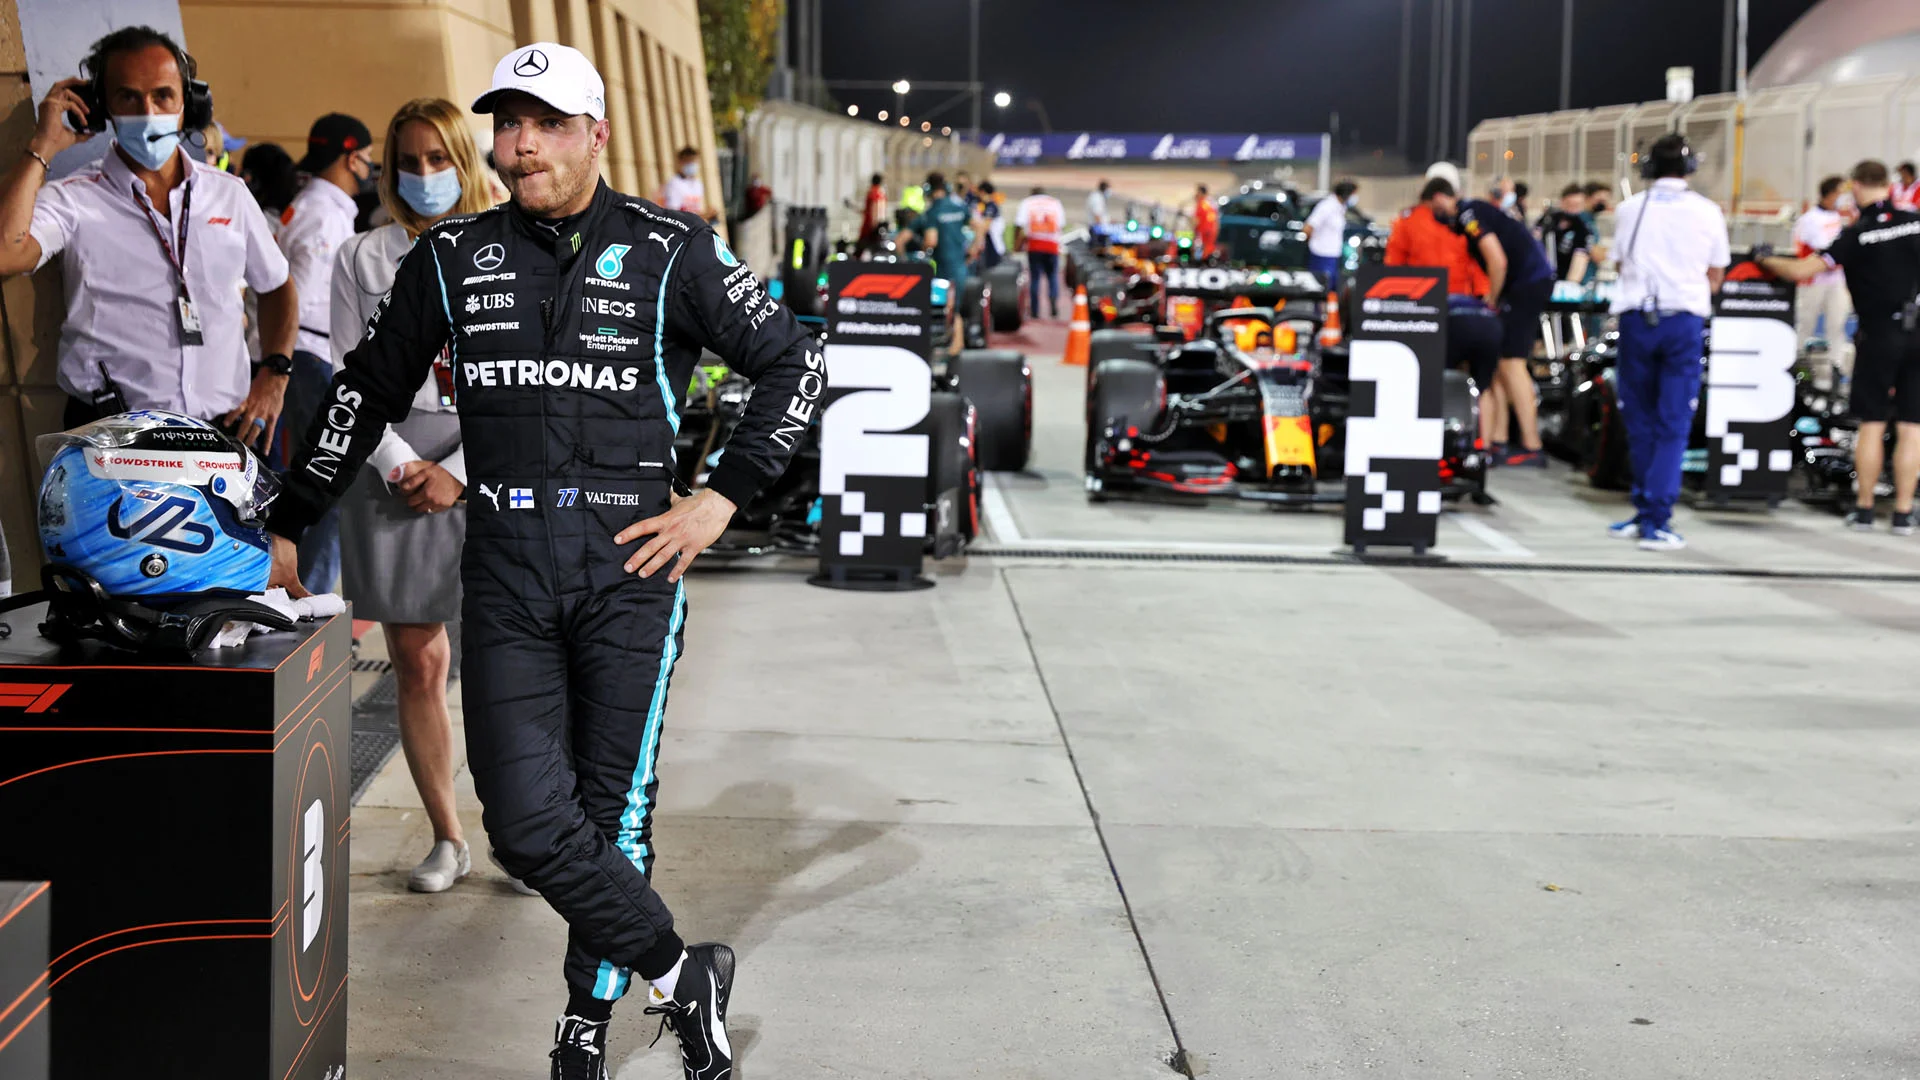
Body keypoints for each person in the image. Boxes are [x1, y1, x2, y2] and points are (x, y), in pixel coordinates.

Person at [267, 42, 819, 1078]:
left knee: (613, 815)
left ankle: (580, 1029)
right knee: (525, 823)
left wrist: (720, 501)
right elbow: (363, 389)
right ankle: (680, 973)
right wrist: (294, 512)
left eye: (545, 124)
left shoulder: (671, 248)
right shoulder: (451, 256)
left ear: (595, 135)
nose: (519, 145)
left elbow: (797, 360)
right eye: (506, 124)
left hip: (631, 569)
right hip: (507, 562)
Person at [330, 97, 494, 894]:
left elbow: (527, 383)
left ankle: (526, 834)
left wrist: (460, 469)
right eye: (410, 160)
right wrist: (399, 463)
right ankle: (447, 836)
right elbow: (349, 377)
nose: (425, 175)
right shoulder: (361, 257)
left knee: (508, 657)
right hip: (389, 461)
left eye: (439, 158)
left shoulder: (513, 249)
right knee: (416, 659)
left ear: (466, 162)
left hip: (489, 456)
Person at [0, 26, 297, 444]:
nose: (148, 111)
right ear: (103, 108)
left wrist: (275, 373)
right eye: (128, 97)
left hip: (222, 434)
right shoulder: (74, 199)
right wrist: (42, 147)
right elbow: (5, 252)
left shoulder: (229, 194)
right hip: (112, 437)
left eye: (163, 95)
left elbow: (278, 285)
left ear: (189, 104)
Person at [1761, 159, 1920, 534]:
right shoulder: (1916, 223)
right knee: (1913, 428)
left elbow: (1802, 271)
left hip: (1878, 336)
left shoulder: (1858, 232)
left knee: (1872, 423)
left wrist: (1764, 258)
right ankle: (1902, 513)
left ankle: (1864, 509)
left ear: (1858, 188)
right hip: (1918, 334)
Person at [1606, 133, 1730, 551]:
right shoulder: (1708, 211)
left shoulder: (1629, 209)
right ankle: (1655, 518)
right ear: (1689, 168)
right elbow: (1716, 273)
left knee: (1639, 420)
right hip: (1683, 322)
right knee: (1672, 423)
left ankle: (1647, 510)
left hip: (1638, 319)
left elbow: (1620, 262)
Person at [278, 112, 374, 595]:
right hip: (311, 358)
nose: (370, 168)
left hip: (305, 358)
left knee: (318, 484)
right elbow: (298, 295)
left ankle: (300, 590)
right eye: (367, 158)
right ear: (351, 156)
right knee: (331, 485)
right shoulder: (324, 211)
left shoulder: (313, 203)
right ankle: (306, 597)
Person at [1430, 177, 1557, 466]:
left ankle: (1531, 445)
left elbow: (1497, 260)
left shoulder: (1468, 213)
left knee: (1512, 363)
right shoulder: (1473, 212)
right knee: (1499, 361)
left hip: (1526, 284)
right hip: (1526, 283)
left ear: (1439, 198)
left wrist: (1492, 300)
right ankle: (1497, 441)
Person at [1387, 176, 1499, 410]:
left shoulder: (1413, 220)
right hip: (1454, 305)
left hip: (1431, 304)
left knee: (1432, 363)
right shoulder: (1421, 220)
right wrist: (1484, 294)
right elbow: (1474, 261)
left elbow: (1394, 265)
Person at [1790, 175, 1855, 389]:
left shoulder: (1840, 218)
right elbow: (1821, 251)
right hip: (1814, 280)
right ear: (1829, 194)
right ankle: (1797, 363)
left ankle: (1835, 368)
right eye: (1839, 193)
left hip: (1837, 281)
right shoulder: (1810, 219)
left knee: (1836, 325)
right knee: (1805, 323)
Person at [906, 171, 980, 346]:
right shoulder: (958, 206)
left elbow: (931, 240)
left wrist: (922, 248)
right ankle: (957, 351)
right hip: (960, 266)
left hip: (943, 269)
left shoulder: (933, 211)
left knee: (946, 312)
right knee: (956, 311)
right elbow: (979, 226)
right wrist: (973, 249)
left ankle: (954, 352)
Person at [1013, 184, 1065, 319]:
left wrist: (1016, 244)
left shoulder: (1027, 203)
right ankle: (1053, 303)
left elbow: (1019, 224)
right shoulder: (1055, 203)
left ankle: (1035, 310)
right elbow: (1061, 225)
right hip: (1052, 244)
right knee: (1052, 276)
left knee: (1035, 278)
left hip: (1034, 245)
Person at [1304, 179, 1356, 285]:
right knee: (1320, 287)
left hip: (1332, 255)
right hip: (1321, 255)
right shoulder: (1326, 206)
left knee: (1330, 287)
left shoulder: (1340, 207)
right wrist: (1315, 243)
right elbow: (1308, 228)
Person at [1543, 184, 1594, 283]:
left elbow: (1580, 260)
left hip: (1562, 282)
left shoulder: (1583, 230)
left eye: (1578, 205)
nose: (1574, 209)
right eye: (1571, 205)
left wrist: (1569, 286)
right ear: (1562, 202)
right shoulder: (1548, 221)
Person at [659, 145, 717, 222]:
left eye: (694, 162)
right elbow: (674, 215)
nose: (692, 165)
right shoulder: (674, 184)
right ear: (680, 162)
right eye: (689, 161)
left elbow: (695, 209)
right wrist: (703, 215)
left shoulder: (697, 184)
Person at [975, 179, 1005, 269]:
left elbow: (986, 226)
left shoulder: (991, 207)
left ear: (982, 192)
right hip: (992, 245)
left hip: (994, 247)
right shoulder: (989, 206)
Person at [859, 171, 887, 250]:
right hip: (875, 224)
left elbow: (875, 207)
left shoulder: (873, 192)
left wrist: (874, 224)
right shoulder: (880, 192)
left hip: (869, 226)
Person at [1193, 183, 1219, 260]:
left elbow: (1196, 220)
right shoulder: (1211, 202)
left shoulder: (1201, 204)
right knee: (1209, 248)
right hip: (1212, 230)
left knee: (1204, 250)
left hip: (1205, 231)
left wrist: (1194, 231)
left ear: (1201, 192)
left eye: (1198, 192)